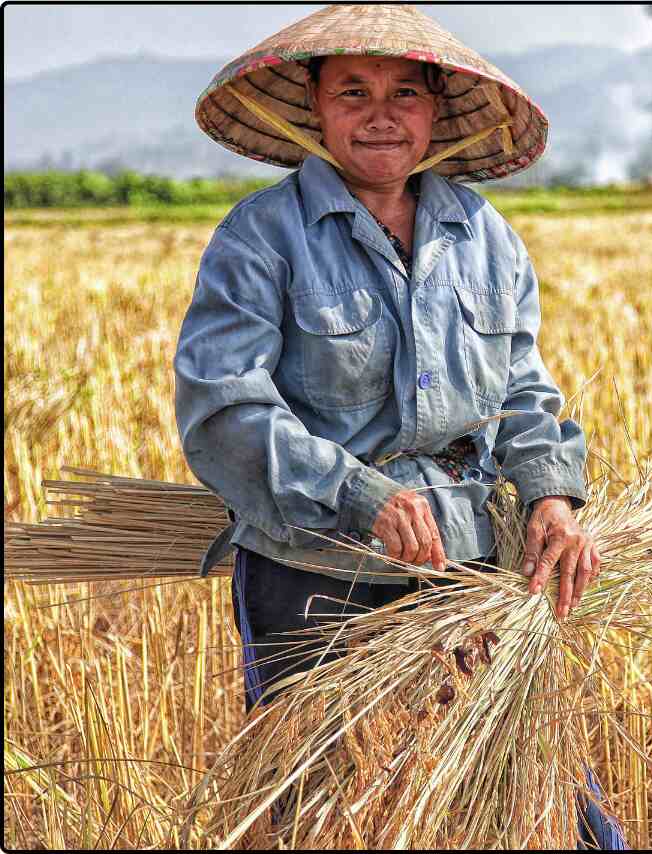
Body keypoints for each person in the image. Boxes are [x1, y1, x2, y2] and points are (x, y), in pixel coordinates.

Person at [175, 5, 624, 848]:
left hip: (467, 555)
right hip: (313, 564)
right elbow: (222, 408)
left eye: (404, 93)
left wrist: (552, 498)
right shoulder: (260, 237)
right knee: (308, 801)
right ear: (316, 107)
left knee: (542, 784)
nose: (380, 113)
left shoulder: (483, 235)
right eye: (353, 91)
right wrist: (360, 493)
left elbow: (524, 389)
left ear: (435, 111)